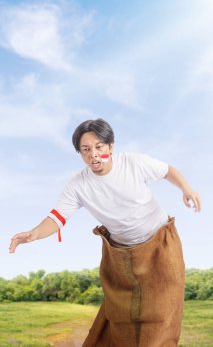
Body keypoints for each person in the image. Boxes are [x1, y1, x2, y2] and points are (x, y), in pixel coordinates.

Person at [9, 118, 201, 347]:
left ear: (111, 146)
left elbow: (167, 170)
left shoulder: (133, 163)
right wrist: (33, 234)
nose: (93, 154)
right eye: (86, 150)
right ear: (80, 154)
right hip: (122, 258)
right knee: (121, 316)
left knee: (163, 311)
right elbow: (57, 217)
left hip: (161, 245)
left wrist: (186, 188)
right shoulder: (78, 185)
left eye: (99, 147)